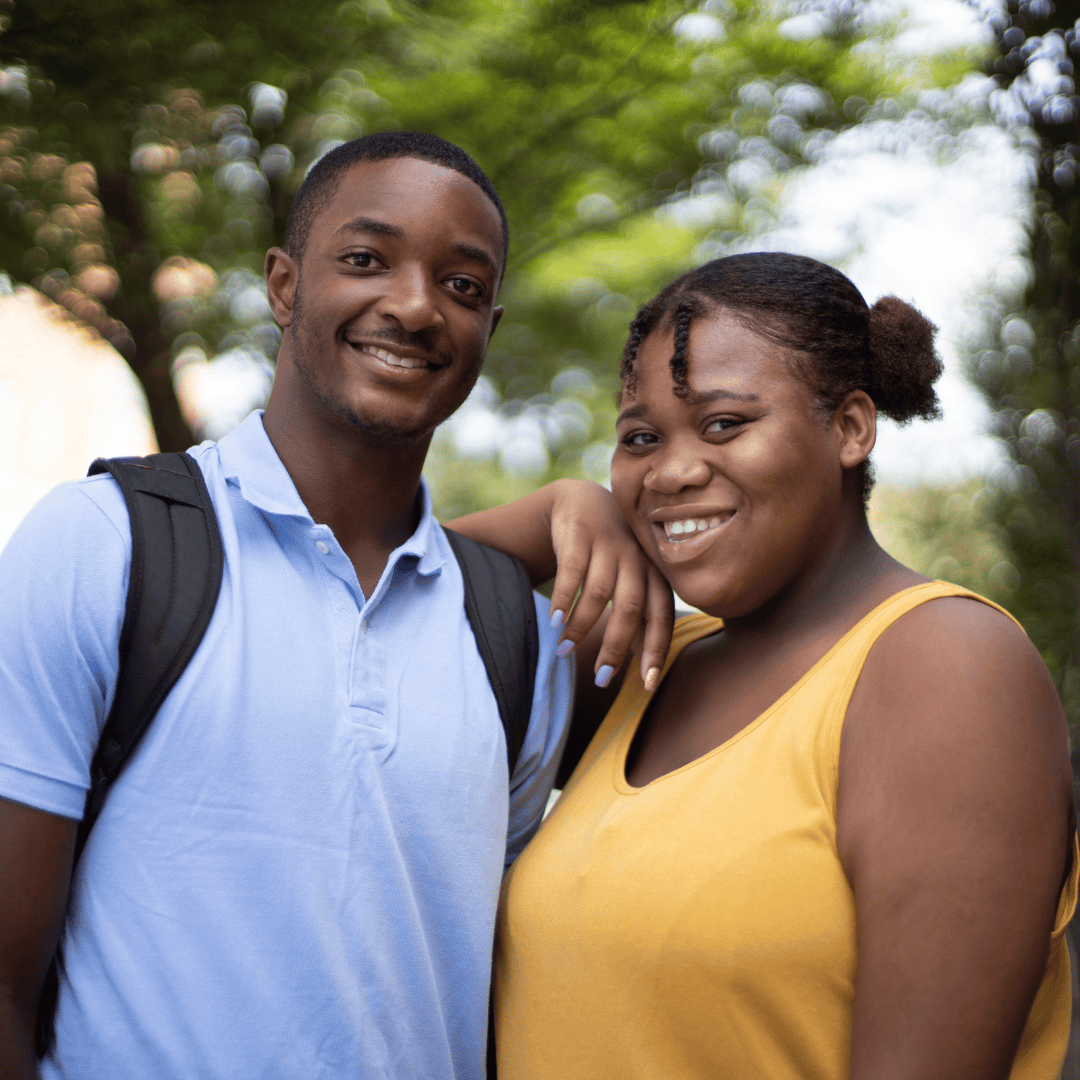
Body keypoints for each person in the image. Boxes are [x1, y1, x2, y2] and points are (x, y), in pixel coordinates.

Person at [0, 132, 672, 1079]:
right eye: (365, 260)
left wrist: (575, 500)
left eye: (463, 286)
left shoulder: (518, 634)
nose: (414, 306)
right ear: (284, 286)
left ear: (488, 328)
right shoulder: (101, 546)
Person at [469, 253, 1077, 1079]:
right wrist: (552, 514)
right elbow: (363, 618)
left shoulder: (944, 667)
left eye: (724, 424)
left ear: (851, 429)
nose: (672, 472)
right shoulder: (645, 661)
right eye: (641, 439)